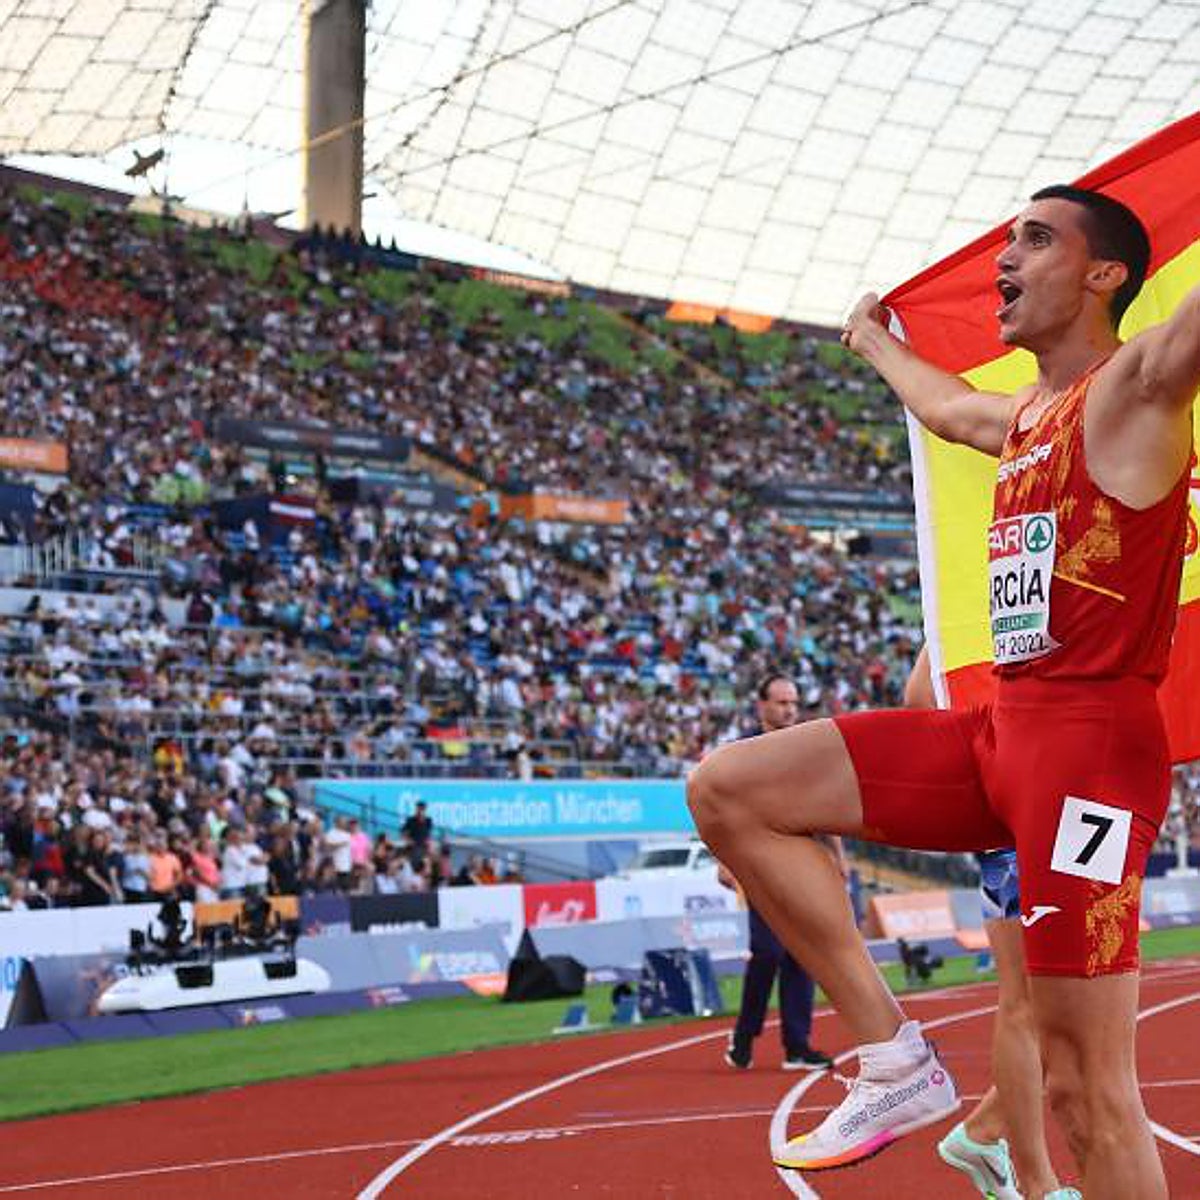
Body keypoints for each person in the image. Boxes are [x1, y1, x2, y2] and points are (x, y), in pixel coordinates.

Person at [688, 185, 1190, 1200]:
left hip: (1088, 759)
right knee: (730, 789)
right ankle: (895, 1063)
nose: (1005, 258)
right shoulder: (1026, 416)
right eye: (1008, 239)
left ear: (1104, 275)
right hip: (1000, 732)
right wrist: (874, 341)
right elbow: (950, 408)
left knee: (1086, 1090)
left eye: (1035, 240)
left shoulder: (1136, 388)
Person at [906, 648, 1078, 1200]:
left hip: (1058, 803)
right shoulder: (979, 608)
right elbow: (920, 695)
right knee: (1034, 1004)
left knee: (1075, 1002)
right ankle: (1037, 1183)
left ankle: (983, 1133)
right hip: (1026, 807)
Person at [722, 674, 838, 1072]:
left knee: (803, 954)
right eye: (782, 702)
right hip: (759, 863)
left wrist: (838, 859)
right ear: (762, 706)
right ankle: (745, 1032)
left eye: (794, 703)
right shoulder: (743, 753)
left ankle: (797, 1045)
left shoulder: (804, 751)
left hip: (801, 862)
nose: (790, 709)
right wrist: (724, 862)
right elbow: (720, 808)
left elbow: (824, 807)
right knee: (769, 951)